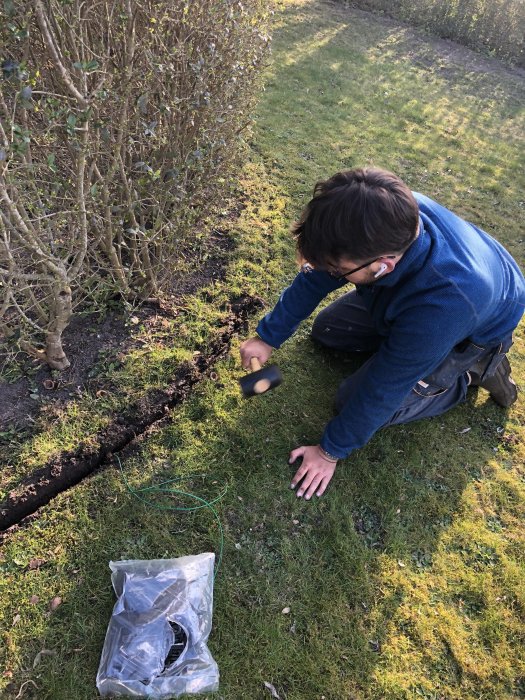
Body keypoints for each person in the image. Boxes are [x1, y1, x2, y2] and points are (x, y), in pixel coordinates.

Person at [240, 167, 525, 500]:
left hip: (473, 323)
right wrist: (268, 336)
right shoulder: (376, 219)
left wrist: (330, 451)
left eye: (338, 271)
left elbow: (386, 386)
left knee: (351, 400)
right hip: (431, 294)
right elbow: (318, 272)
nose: (331, 274)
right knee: (328, 330)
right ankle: (407, 343)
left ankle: (472, 372)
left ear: (382, 265)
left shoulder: (445, 304)